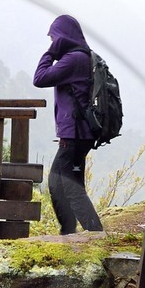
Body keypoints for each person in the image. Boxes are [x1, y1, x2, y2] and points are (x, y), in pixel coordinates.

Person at [32, 14, 104, 234]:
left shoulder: (73, 60)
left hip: (74, 134)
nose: (53, 43)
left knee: (64, 185)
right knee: (65, 183)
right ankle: (74, 232)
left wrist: (50, 53)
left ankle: (92, 234)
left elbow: (39, 78)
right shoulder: (84, 56)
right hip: (80, 133)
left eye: (54, 38)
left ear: (63, 37)